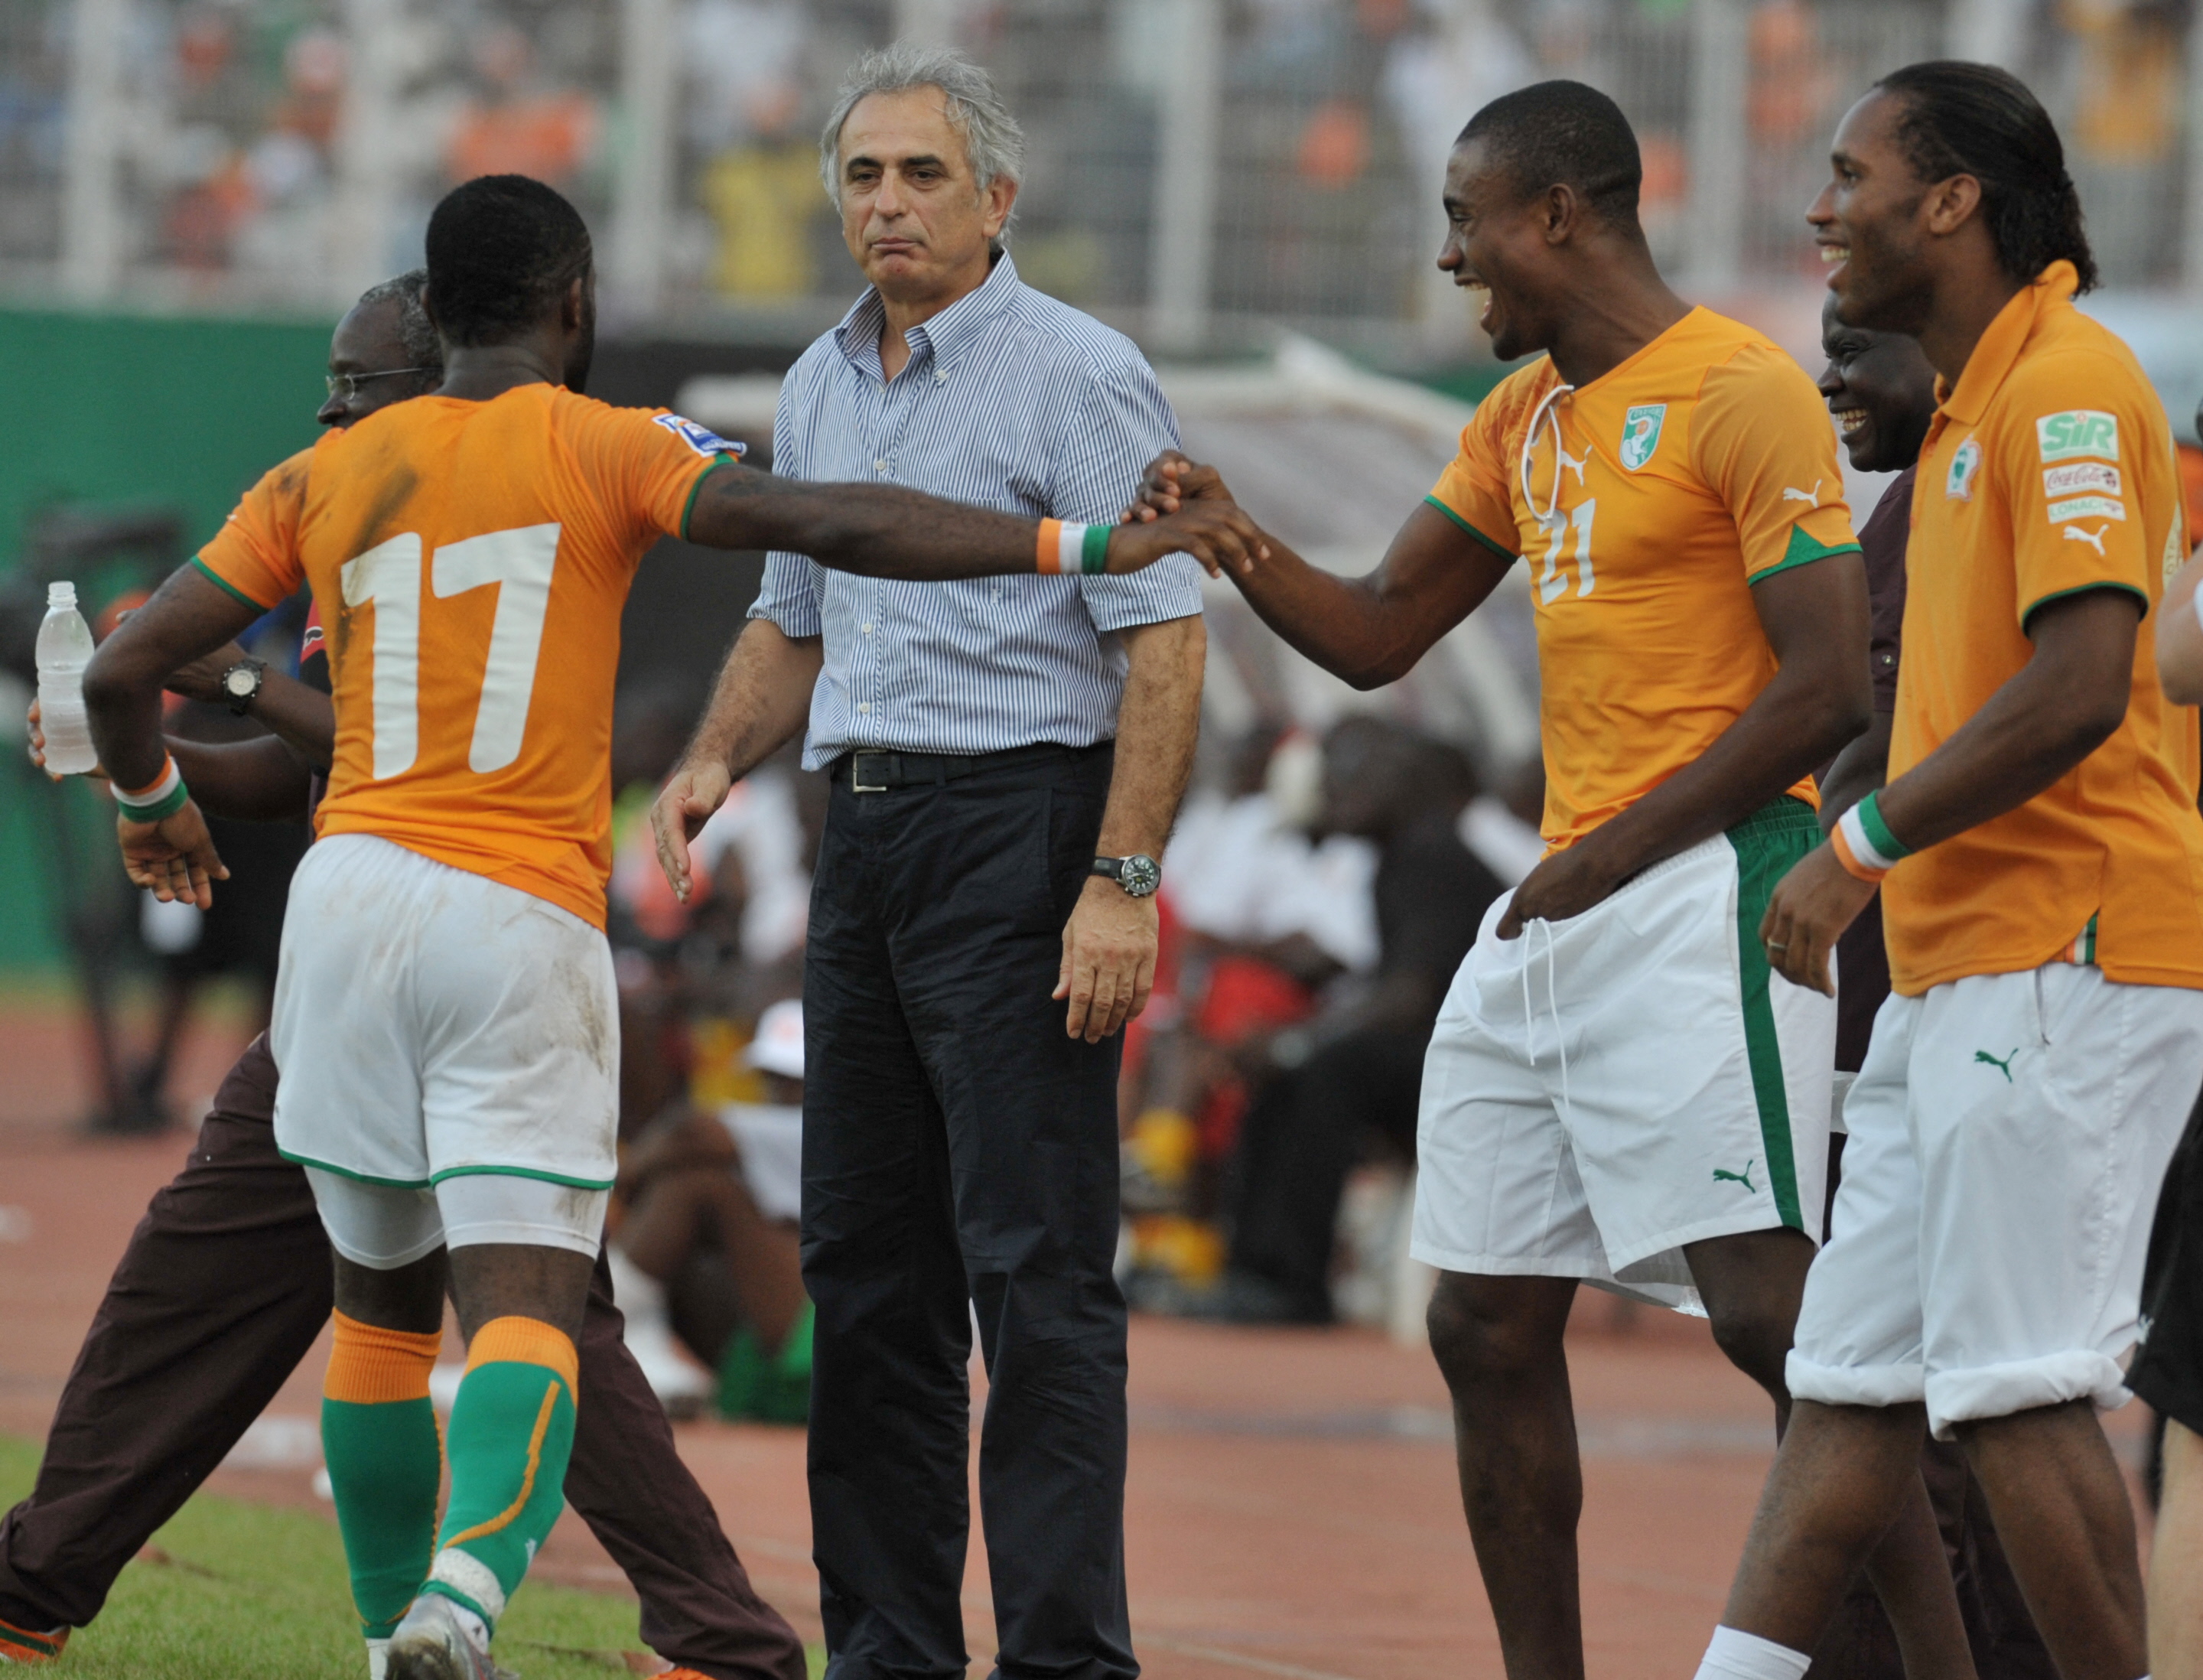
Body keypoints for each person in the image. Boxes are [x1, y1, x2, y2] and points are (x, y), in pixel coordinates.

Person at [78, 174, 1245, 1680]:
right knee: (526, 1302)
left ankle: (382, 1646)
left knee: (376, 1315)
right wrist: (1080, 549)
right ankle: (463, 1602)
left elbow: (121, 671)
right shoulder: (608, 441)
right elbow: (835, 523)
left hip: (345, 898)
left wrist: (150, 804)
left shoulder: (322, 475)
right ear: (574, 308)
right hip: (512, 911)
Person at [1130, 77, 1982, 1679]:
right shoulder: (1520, 416)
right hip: (1567, 901)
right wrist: (1235, 537)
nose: (1452, 256)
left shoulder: (1740, 388)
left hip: (1714, 882)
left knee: (1771, 1320)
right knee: (1479, 1317)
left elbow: (1823, 690)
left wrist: (1613, 849)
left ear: (1560, 214)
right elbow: (1380, 632)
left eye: (1468, 219)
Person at [1, 272, 807, 1680]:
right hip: (387, 958)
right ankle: (701, 1632)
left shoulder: (472, 494)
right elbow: (312, 772)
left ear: (446, 378)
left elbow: (352, 744)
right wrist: (161, 753)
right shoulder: (370, 505)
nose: (330, 412)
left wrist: (208, 684)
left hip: (470, 936)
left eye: (353, 384)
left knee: (503, 1308)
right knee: (394, 1290)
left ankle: (695, 1630)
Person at [649, 45, 1208, 1680]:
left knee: (1036, 1273)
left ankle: (1062, 1660)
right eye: (863, 176)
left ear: (999, 197)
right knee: (865, 1272)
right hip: (866, 838)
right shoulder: (817, 382)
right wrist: (712, 757)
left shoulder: (1080, 373)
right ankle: (889, 1651)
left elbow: (1166, 637)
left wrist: (1121, 881)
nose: (887, 202)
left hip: (1024, 831)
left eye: (922, 173)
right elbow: (792, 617)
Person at [1698, 62, 2203, 1680]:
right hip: (1962, 964)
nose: (1822, 208)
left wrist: (1858, 846)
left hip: (2070, 957)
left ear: (1954, 199)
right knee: (1849, 1393)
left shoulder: (2068, 388)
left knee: (2013, 1395)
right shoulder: (1982, 404)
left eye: (1851, 175)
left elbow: (2086, 684)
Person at [1809, 294, 2053, 1678]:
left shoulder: (2001, 471)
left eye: (1857, 352)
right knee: (1905, 1375)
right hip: (1893, 969)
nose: (1830, 381)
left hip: (1960, 967)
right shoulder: (1922, 499)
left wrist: (1851, 856)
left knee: (1954, 1387)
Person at [1207, 719, 1501, 1324]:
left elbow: (1411, 997)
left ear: (1403, 785)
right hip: (1443, 1055)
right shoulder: (1403, 856)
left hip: (1481, 1069)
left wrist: (1297, 1042)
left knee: (1323, 1072)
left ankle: (1293, 1284)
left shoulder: (1431, 856)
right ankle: (1251, 1270)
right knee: (1290, 1069)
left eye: (1355, 780)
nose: (1335, 792)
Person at [615, 997, 812, 1424]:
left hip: (829, 1339)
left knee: (703, 1187)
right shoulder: (779, 1132)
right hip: (794, 1331)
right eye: (773, 1078)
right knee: (692, 1231)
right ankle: (634, 1350)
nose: (781, 1092)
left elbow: (695, 1131)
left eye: (794, 1080)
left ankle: (594, 1320)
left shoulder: (824, 1127)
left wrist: (621, 1177)